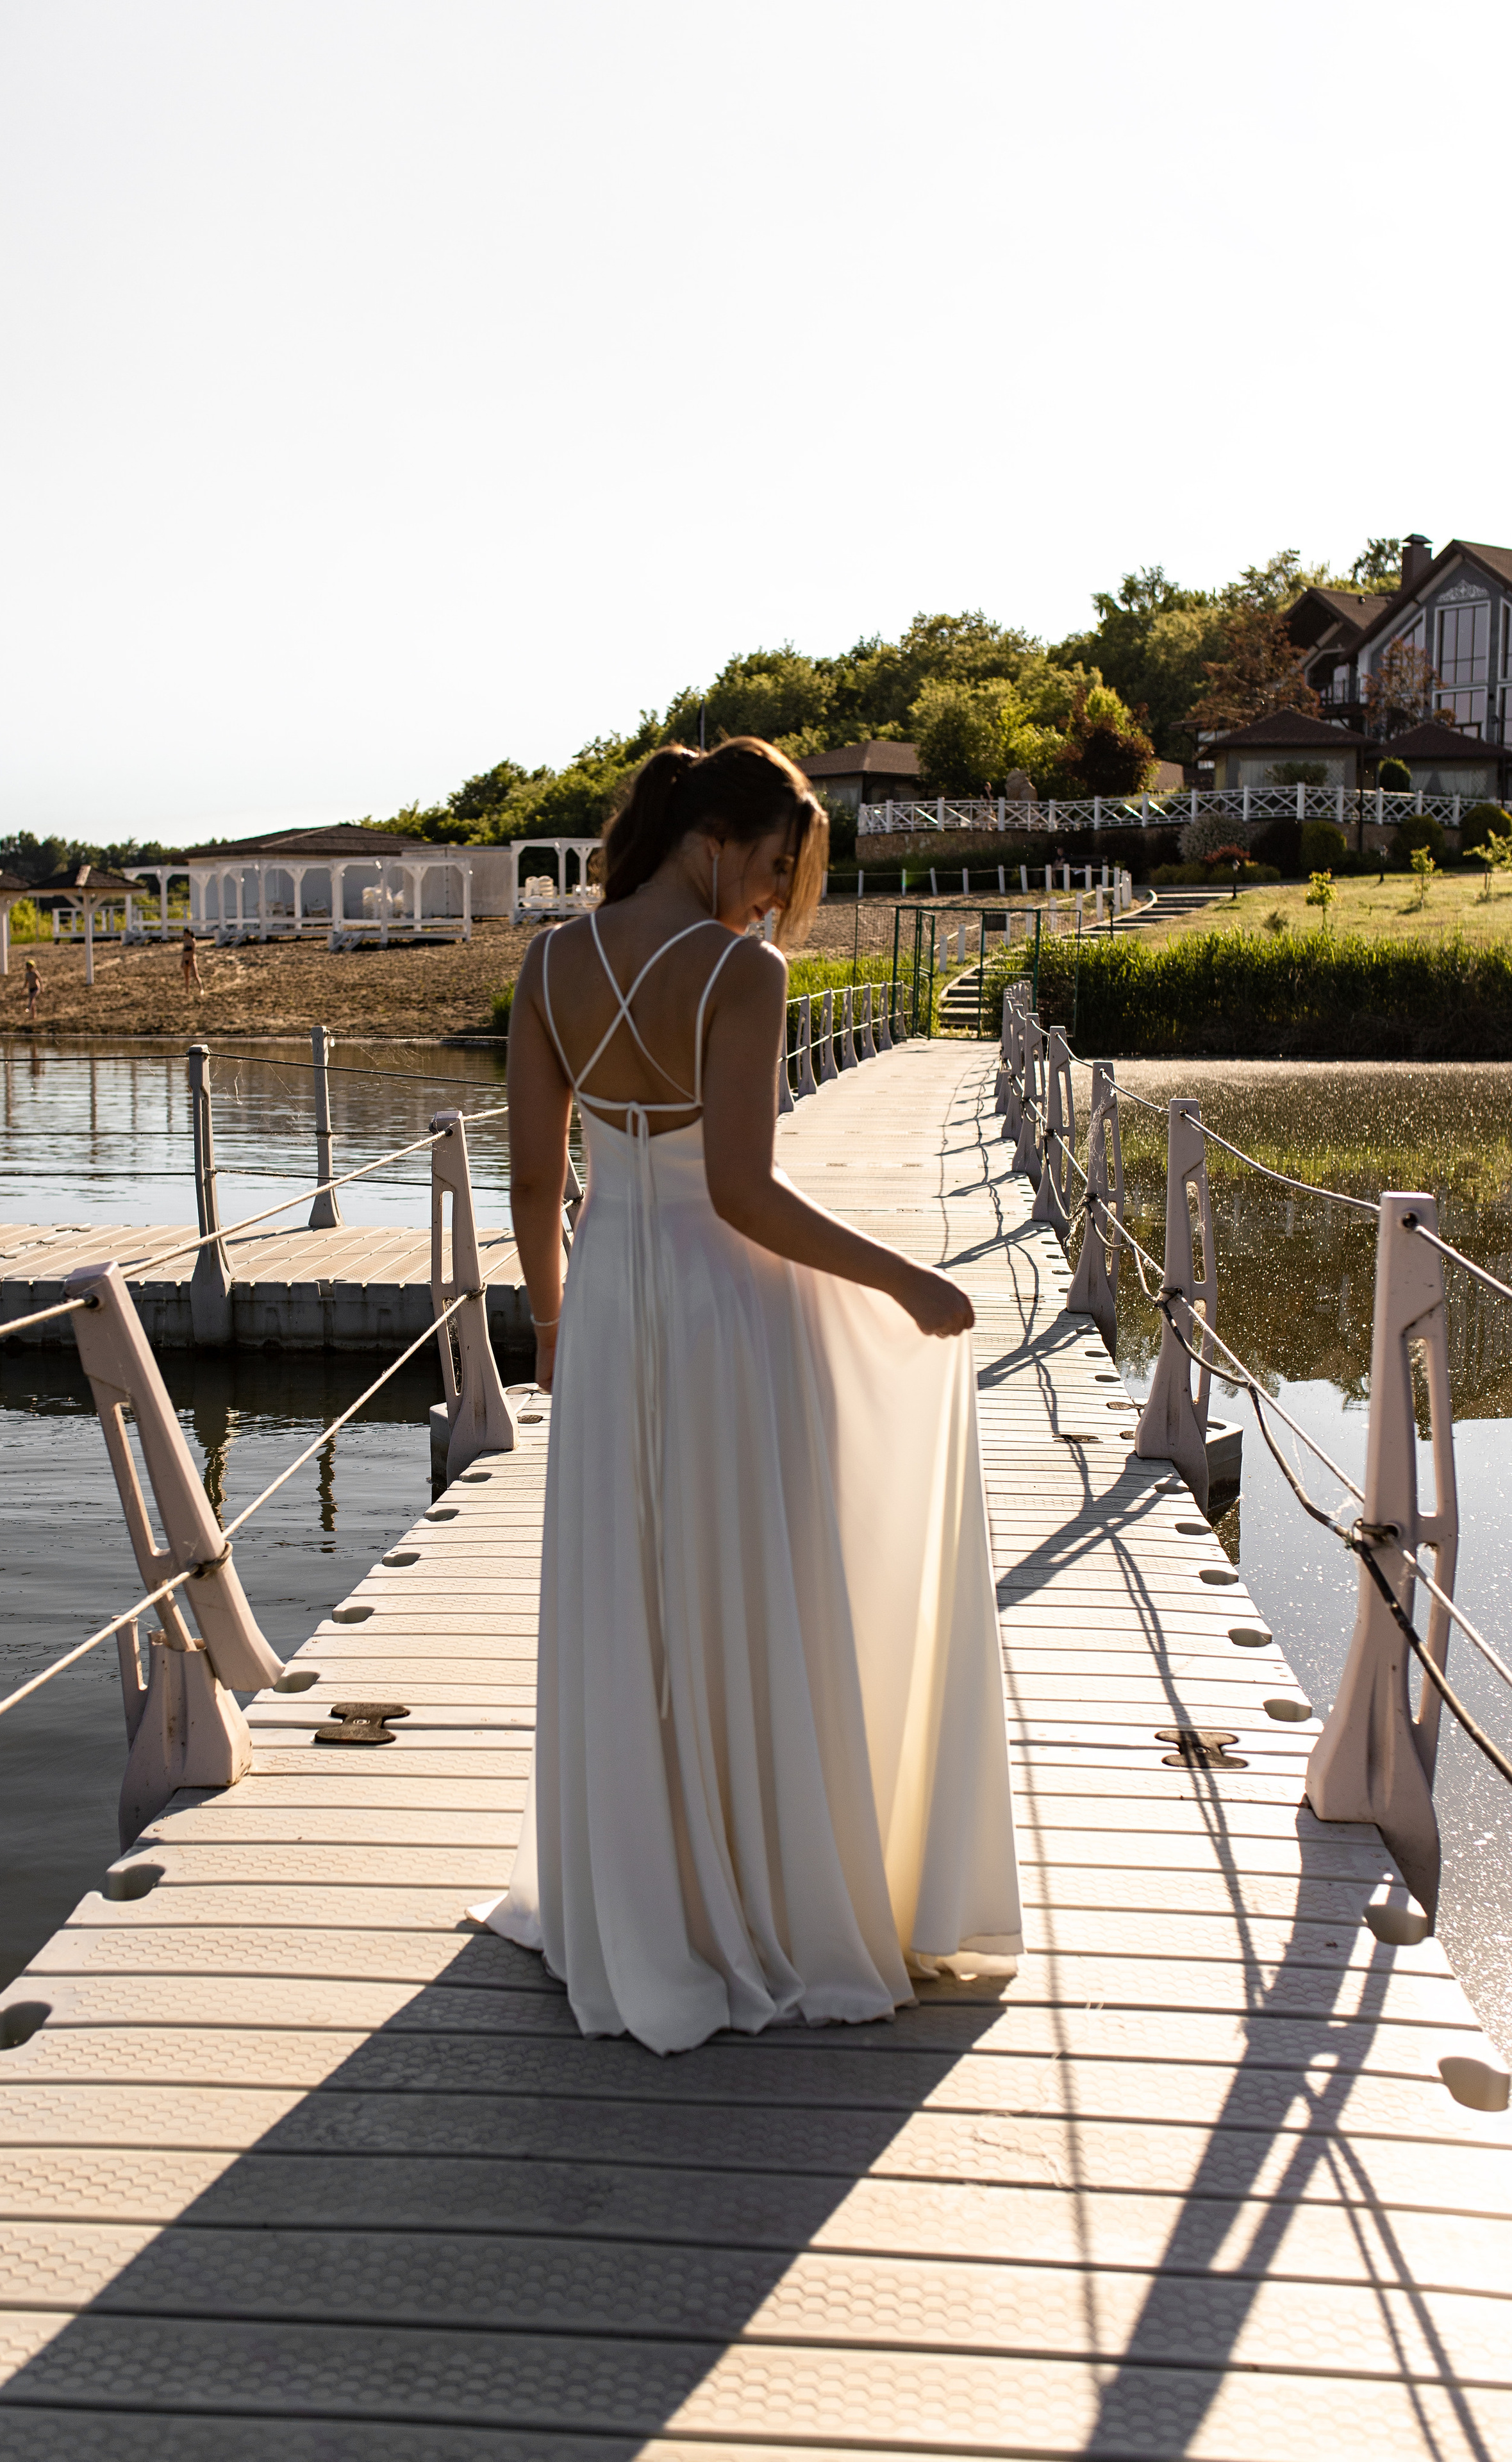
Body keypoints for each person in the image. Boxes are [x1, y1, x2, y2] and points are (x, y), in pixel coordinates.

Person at [483, 736, 1020, 2056]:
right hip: (723, 1308)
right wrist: (906, 1280)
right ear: (716, 838)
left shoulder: (550, 963)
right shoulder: (737, 973)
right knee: (749, 1584)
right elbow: (741, 1193)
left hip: (608, 1306)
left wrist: (551, 1321)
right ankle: (760, 1889)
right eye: (776, 869)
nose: (773, 901)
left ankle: (635, 1898)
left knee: (629, 1591)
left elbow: (533, 1183)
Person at [181, 926, 203, 994]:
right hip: (185, 960)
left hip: (192, 960)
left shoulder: (192, 941)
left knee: (195, 975)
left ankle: (201, 989)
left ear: (188, 933)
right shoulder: (185, 942)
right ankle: (187, 991)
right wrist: (182, 962)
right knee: (186, 976)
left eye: (185, 933)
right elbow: (184, 953)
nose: (184, 935)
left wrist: (191, 960)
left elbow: (193, 951)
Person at [24, 956, 40, 1025]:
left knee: (32, 999)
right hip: (31, 989)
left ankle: (28, 1008)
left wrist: (42, 988)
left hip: (36, 988)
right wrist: (23, 989)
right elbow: (26, 983)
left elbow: (40, 980)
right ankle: (34, 1016)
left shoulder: (35, 973)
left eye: (29, 966)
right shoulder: (27, 974)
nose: (28, 967)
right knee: (32, 1002)